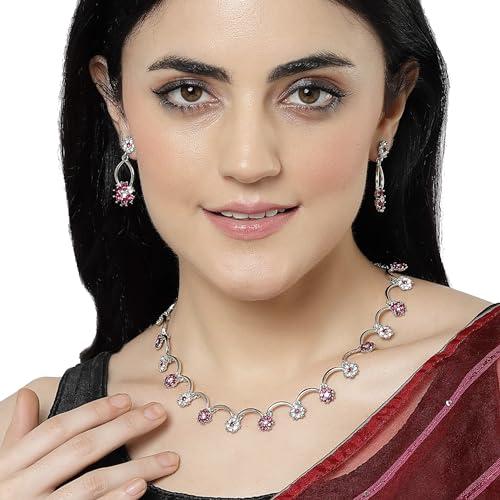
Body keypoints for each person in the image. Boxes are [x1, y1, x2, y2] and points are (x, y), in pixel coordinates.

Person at [0, 0, 498, 498]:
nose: (248, 162)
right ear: (117, 107)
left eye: (309, 93)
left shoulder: (486, 381)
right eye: (189, 92)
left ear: (389, 109)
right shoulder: (31, 438)